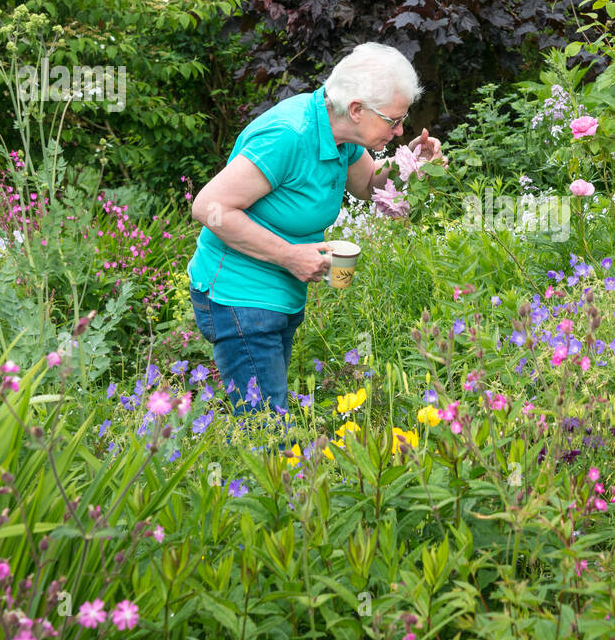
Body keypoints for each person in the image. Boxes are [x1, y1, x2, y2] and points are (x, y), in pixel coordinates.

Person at [186, 43, 442, 428]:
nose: (400, 129)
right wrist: (291, 255)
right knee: (267, 430)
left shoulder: (339, 134)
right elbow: (209, 208)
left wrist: (411, 165)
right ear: (356, 109)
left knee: (263, 418)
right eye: (393, 121)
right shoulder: (290, 135)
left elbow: (368, 184)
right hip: (237, 295)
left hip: (280, 295)